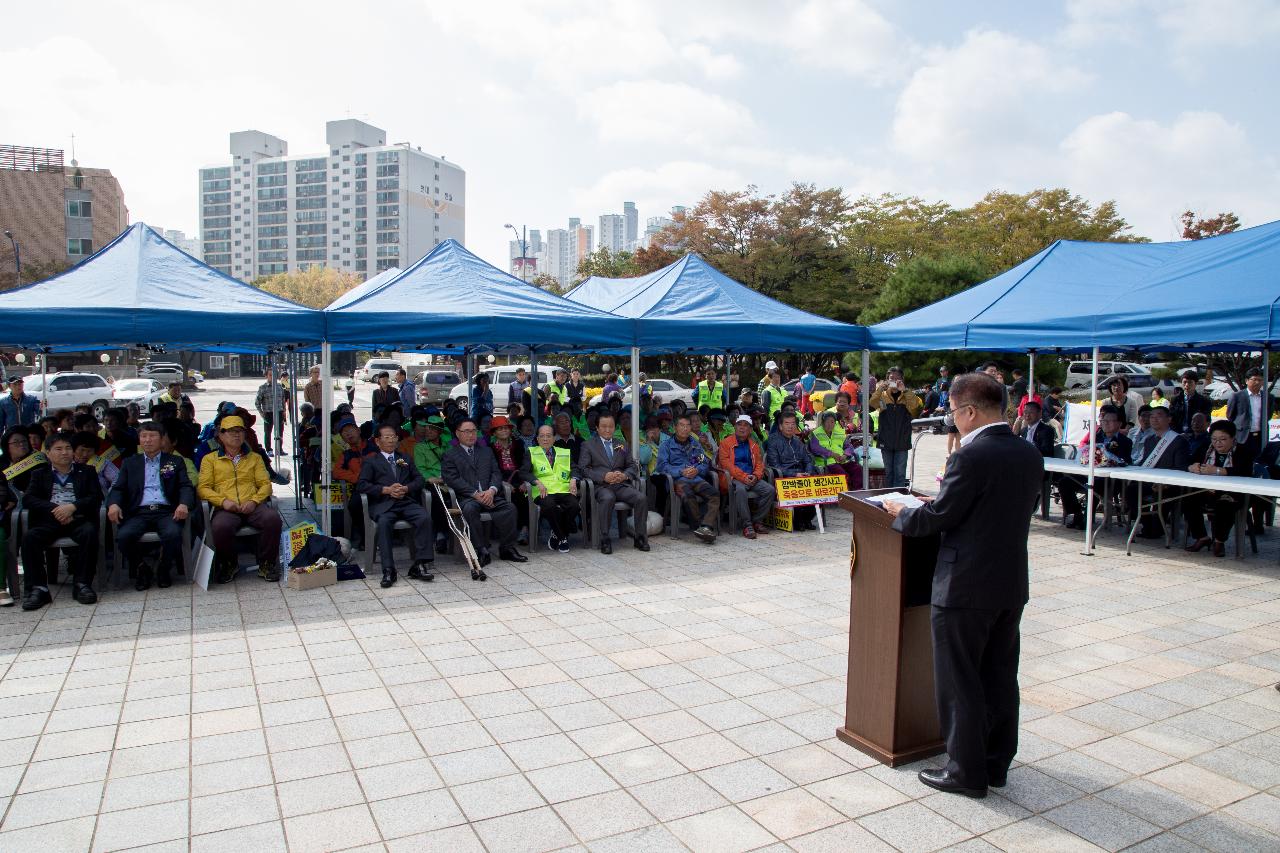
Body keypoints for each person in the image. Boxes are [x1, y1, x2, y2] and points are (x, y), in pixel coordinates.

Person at [881, 372, 1043, 799]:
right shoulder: (1028, 452)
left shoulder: (971, 457)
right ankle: (994, 764)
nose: (952, 419)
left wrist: (900, 509)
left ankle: (964, 771)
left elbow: (938, 519)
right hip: (1008, 582)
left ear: (970, 411)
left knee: (960, 680)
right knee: (999, 677)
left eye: (953, 412)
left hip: (964, 585)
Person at [107, 422, 195, 591]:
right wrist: (113, 504)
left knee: (173, 533)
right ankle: (142, 568)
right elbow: (118, 488)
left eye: (152, 436)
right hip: (138, 512)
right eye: (143, 436)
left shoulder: (175, 461)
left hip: (166, 510)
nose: (147, 440)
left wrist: (183, 504)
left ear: (162, 439)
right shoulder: (130, 463)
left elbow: (185, 485)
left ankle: (163, 567)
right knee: (124, 536)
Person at [197, 415, 284, 584]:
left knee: (272, 519)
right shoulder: (210, 460)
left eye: (240, 431)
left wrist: (254, 501)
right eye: (230, 432)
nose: (236, 435)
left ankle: (266, 563)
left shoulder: (255, 458)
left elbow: (265, 484)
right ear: (220, 436)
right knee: (221, 526)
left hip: (252, 504)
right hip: (226, 506)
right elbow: (203, 488)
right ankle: (229, 563)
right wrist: (223, 502)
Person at [20, 432, 102, 609]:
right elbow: (28, 499)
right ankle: (38, 588)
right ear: (48, 453)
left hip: (77, 518)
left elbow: (96, 497)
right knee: (30, 538)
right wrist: (56, 510)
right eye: (58, 449)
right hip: (49, 521)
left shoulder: (86, 471)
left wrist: (72, 507)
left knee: (89, 533)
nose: (64, 452)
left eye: (68, 448)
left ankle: (82, 584)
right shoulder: (39, 474)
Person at [357, 424, 437, 588]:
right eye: (386, 437)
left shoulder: (405, 458)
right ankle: (388, 569)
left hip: (405, 501)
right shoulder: (371, 461)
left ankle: (420, 563)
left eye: (393, 436)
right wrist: (385, 490)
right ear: (378, 441)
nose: (391, 440)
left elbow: (419, 480)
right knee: (385, 523)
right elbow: (362, 485)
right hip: (384, 504)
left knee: (424, 518)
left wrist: (406, 488)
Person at [441, 418, 525, 566]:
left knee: (510, 508)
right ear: (457, 434)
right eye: (466, 431)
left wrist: (491, 491)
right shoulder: (450, 454)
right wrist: (475, 494)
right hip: (468, 497)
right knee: (470, 509)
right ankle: (481, 549)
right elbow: (452, 479)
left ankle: (507, 548)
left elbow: (496, 473)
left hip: (489, 495)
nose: (471, 435)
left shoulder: (486, 451)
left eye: (474, 431)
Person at [576, 413, 649, 554]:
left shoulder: (621, 444)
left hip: (620, 484)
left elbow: (632, 466)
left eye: (611, 426)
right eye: (604, 427)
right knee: (608, 498)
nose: (608, 430)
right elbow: (583, 469)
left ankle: (640, 537)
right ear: (597, 428)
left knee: (641, 498)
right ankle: (605, 538)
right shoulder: (588, 445)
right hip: (601, 486)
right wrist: (604, 476)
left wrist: (625, 475)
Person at [1183, 419, 1255, 557]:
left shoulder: (1243, 451)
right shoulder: (1206, 448)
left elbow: (1245, 472)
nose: (1217, 443)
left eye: (1223, 439)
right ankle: (1202, 537)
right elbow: (1190, 460)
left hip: (1235, 493)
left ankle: (1219, 541)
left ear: (1233, 439)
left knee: (1224, 505)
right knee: (1189, 500)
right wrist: (1192, 467)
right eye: (1214, 439)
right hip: (1208, 490)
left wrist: (1218, 471)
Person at [1059, 406, 1131, 529]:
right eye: (1104, 421)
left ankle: (1088, 519)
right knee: (1064, 482)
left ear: (1119, 424)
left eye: (1110, 421)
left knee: (1093, 485)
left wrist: (1110, 460)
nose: (1106, 424)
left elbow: (1125, 461)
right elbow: (1086, 453)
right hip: (1090, 473)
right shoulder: (1096, 436)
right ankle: (1077, 513)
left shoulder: (1125, 441)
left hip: (1109, 480)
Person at [1129, 405, 1192, 538]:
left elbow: (1181, 467)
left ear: (1169, 419)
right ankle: (1147, 524)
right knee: (1131, 490)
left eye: (1159, 416)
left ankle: (1158, 527)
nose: (1154, 419)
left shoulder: (1178, 440)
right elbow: (1144, 463)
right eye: (1152, 416)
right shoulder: (1149, 440)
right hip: (1149, 481)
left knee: (1163, 494)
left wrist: (1166, 483)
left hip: (1170, 484)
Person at [656, 414, 719, 543]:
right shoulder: (666, 445)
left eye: (687, 426)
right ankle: (699, 526)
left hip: (696, 478)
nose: (685, 429)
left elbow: (703, 462)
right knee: (688, 495)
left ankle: (706, 526)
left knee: (714, 494)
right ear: (675, 428)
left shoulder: (695, 444)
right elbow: (662, 467)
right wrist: (681, 471)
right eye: (681, 426)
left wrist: (697, 470)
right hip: (677, 480)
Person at [520, 425, 580, 552]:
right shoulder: (531, 452)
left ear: (554, 438)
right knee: (549, 505)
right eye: (542, 436)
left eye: (548, 436)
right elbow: (523, 472)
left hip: (563, 489)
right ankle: (563, 538)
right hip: (543, 490)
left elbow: (575, 468)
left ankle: (556, 534)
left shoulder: (564, 452)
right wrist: (536, 482)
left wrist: (574, 479)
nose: (545, 439)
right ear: (537, 438)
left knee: (574, 505)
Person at [718, 414, 775, 538]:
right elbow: (727, 465)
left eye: (746, 425)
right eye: (739, 424)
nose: (742, 428)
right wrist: (743, 477)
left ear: (750, 430)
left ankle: (757, 521)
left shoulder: (753, 445)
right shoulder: (726, 443)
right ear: (735, 427)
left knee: (769, 490)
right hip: (733, 478)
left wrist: (755, 475)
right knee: (740, 489)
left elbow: (759, 464)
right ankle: (747, 525)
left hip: (751, 477)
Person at [870, 367, 922, 488]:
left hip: (902, 440)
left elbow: (915, 408)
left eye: (897, 378)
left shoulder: (907, 395)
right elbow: (872, 403)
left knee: (900, 473)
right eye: (891, 378)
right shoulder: (882, 395)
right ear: (887, 380)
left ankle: (898, 496)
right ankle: (889, 496)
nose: (893, 380)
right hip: (885, 439)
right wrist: (880, 389)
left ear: (902, 379)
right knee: (889, 473)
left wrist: (905, 391)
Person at [766, 412, 818, 530]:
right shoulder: (773, 441)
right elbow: (775, 466)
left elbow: (808, 460)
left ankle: (807, 519)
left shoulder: (797, 441)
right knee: (798, 485)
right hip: (784, 476)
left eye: (793, 424)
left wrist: (808, 473)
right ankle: (799, 520)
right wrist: (795, 474)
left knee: (815, 484)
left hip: (802, 474)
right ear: (780, 426)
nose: (790, 426)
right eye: (787, 423)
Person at [810, 410, 862, 490]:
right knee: (842, 475)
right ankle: (845, 495)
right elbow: (815, 448)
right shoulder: (816, 433)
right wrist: (831, 454)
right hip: (827, 462)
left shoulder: (839, 433)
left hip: (842, 460)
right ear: (823, 422)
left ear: (835, 423)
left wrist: (845, 455)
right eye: (827, 422)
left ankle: (857, 492)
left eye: (832, 422)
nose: (829, 425)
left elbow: (849, 446)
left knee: (857, 469)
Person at [1226, 367, 1266, 458]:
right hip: (1242, 437)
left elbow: (1268, 415)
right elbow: (1230, 415)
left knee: (1258, 461)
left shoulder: (1267, 397)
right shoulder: (1237, 396)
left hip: (1260, 436)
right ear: (1246, 381)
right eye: (1254, 379)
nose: (1257, 382)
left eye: (1260, 380)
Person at [255, 368, 288, 454]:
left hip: (279, 412)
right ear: (266, 376)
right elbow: (257, 402)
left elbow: (282, 399)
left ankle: (279, 449)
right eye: (270, 375)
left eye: (274, 375)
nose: (272, 377)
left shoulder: (279, 386)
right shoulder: (263, 388)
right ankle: (269, 449)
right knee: (268, 432)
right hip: (268, 413)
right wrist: (261, 413)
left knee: (280, 432)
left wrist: (284, 411)